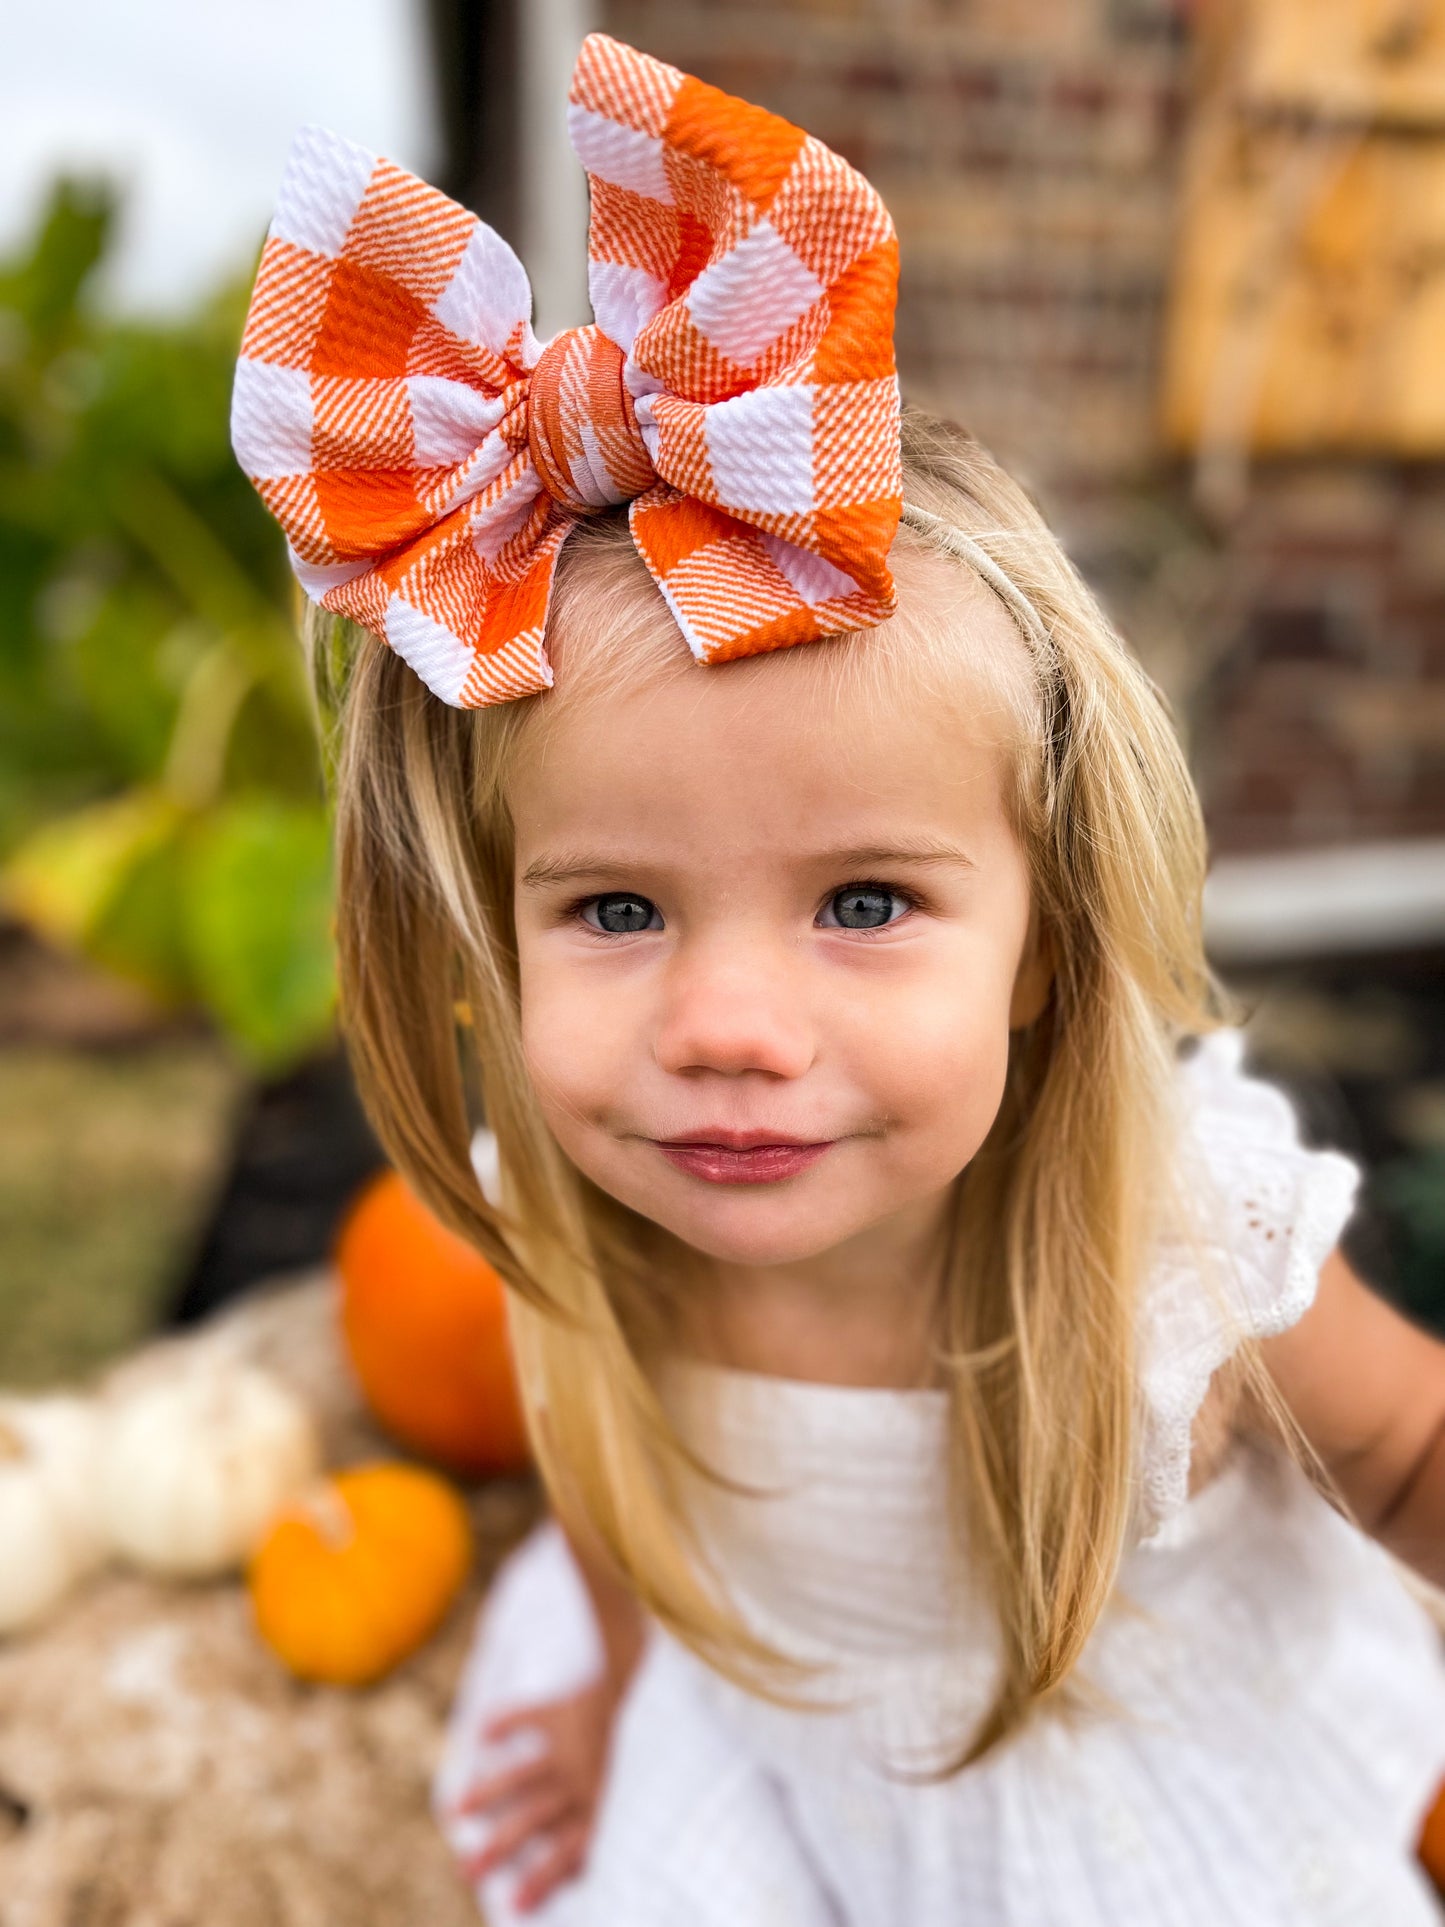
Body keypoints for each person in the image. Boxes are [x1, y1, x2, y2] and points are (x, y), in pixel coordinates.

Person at [231, 33, 1445, 1925]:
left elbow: (1412, 1447)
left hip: (1120, 1795)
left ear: (1046, 945)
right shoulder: (575, 1229)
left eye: (865, 901)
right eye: (616, 912)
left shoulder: (1173, 1249)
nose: (724, 1027)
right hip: (773, 1735)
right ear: (492, 921)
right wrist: (631, 1695)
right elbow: (635, 1500)